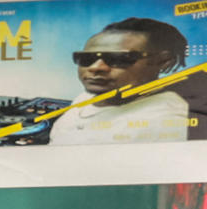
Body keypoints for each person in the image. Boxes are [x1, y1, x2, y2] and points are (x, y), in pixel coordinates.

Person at [51, 19, 197, 145]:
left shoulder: (167, 123)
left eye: (118, 58)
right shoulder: (87, 98)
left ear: (163, 61)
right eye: (86, 59)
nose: (96, 67)